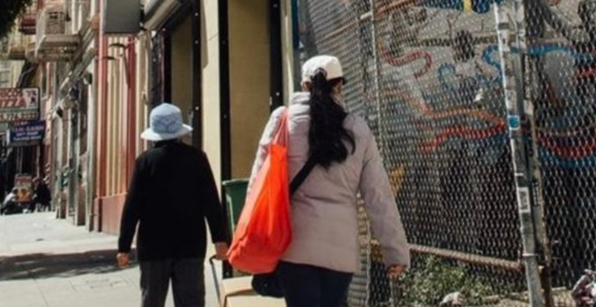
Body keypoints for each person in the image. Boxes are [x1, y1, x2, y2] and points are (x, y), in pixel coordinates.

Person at [249, 55, 410, 307]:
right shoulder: (358, 129)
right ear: (340, 86)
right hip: (341, 248)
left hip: (293, 243)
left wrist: (251, 235)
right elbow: (378, 195)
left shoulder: (282, 121)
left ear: (305, 86)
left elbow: (258, 183)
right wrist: (395, 250)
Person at [118, 103, 228, 307]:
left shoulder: (145, 161)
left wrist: (124, 246)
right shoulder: (197, 158)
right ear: (180, 132)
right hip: (190, 245)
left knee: (152, 300)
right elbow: (210, 201)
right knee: (191, 302)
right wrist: (220, 238)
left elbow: (132, 206)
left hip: (153, 247)